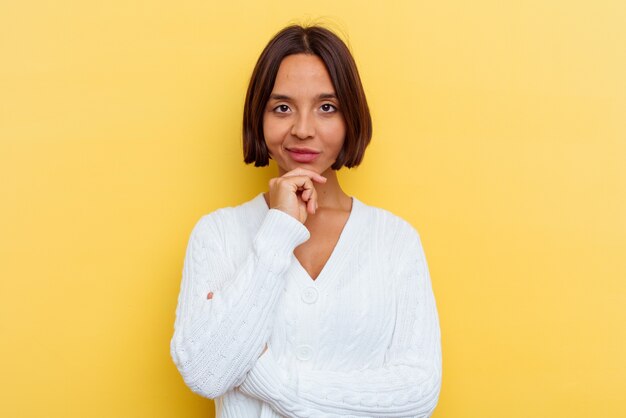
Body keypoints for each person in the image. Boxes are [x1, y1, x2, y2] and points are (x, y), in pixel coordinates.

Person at [170, 24, 442, 417]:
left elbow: (417, 396)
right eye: (282, 107)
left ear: (351, 117)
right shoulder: (218, 235)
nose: (302, 129)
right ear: (259, 117)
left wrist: (269, 380)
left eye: (326, 107)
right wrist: (278, 230)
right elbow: (206, 373)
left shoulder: (394, 240)